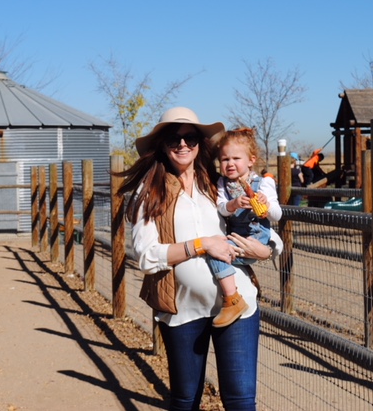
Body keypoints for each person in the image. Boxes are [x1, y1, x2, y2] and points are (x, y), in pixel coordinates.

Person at [115, 107, 283, 410]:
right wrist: (202, 244)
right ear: (162, 144)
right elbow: (147, 257)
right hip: (183, 309)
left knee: (241, 401)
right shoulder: (149, 192)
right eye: (174, 138)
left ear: (199, 143)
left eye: (190, 138)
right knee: (186, 399)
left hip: (238, 304)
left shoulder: (217, 185)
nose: (183, 145)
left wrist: (268, 249)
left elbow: (258, 223)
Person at [208, 128, 282, 328]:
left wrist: (266, 206)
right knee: (218, 249)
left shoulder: (263, 183)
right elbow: (221, 207)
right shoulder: (223, 183)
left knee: (218, 254)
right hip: (236, 235)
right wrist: (233, 204)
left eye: (236, 158)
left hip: (256, 237)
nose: (230, 164)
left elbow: (277, 215)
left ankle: (232, 299)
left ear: (251, 160)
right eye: (224, 159)